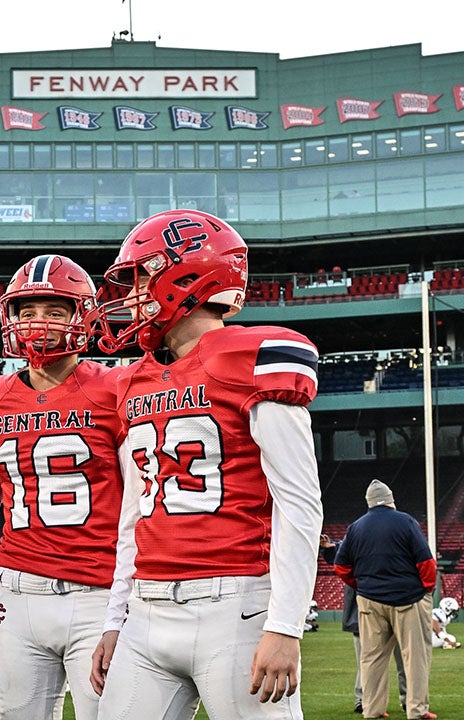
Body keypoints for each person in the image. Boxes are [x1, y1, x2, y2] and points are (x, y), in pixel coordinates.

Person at [87, 210, 323, 719]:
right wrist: (115, 617)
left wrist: (284, 625)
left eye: (141, 275)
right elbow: (135, 512)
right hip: (146, 611)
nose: (130, 294)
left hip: (234, 605)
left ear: (187, 275)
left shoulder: (253, 357)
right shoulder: (132, 381)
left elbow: (299, 503)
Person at [0, 255, 122, 720]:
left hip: (100, 593)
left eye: (55, 312)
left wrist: (123, 606)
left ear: (82, 317)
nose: (38, 323)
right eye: (27, 311)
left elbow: (139, 506)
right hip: (18, 598)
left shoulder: (117, 388)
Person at [333, 479, 437, 720]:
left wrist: (361, 586)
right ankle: (417, 711)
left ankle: (373, 709)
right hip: (408, 600)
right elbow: (426, 563)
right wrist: (426, 590)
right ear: (391, 499)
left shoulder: (356, 527)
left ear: (368, 502)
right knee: (416, 658)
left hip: (370, 601)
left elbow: (340, 565)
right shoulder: (406, 521)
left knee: (371, 659)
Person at [321, 532, 408, 714]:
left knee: (383, 658)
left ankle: (406, 699)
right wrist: (331, 548)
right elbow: (341, 556)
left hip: (394, 601)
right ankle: (367, 699)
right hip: (374, 605)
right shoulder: (361, 534)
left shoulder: (391, 535)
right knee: (373, 658)